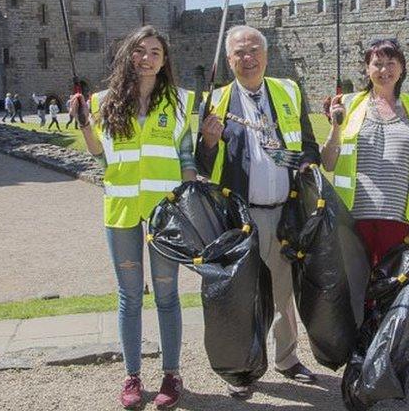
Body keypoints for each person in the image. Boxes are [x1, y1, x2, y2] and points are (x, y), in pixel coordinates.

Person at [196, 24, 320, 397]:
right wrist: (210, 142)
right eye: (239, 53)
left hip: (284, 213)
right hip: (240, 219)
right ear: (229, 59)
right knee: (242, 297)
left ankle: (287, 359)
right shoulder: (214, 101)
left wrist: (304, 164)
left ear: (266, 55)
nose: (247, 58)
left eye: (254, 51)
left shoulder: (289, 91)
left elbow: (309, 145)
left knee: (283, 294)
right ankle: (242, 368)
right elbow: (203, 167)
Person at [78, 25, 195, 410]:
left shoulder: (179, 101)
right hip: (122, 208)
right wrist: (82, 123)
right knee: (129, 297)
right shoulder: (103, 100)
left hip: (164, 213)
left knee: (166, 295)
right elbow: (99, 154)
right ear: (129, 55)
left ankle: (171, 374)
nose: (147, 58)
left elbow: (186, 158)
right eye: (140, 51)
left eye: (155, 52)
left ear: (165, 61)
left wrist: (189, 203)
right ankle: (132, 376)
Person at [322, 38, 409, 271]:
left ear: (402, 68)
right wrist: (335, 127)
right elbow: (328, 163)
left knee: (391, 294)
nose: (384, 70)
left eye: (391, 63)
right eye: (377, 63)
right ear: (367, 69)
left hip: (399, 221)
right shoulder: (346, 104)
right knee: (356, 297)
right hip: (353, 221)